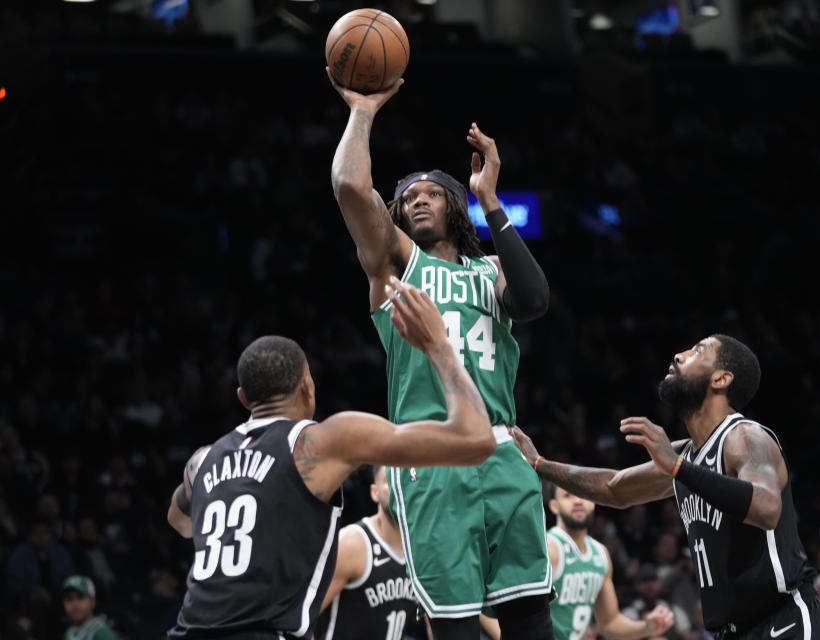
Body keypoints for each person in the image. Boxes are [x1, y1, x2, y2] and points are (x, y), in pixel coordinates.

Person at [327, 70, 553, 640]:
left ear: (454, 206)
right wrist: (363, 110)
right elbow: (352, 190)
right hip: (431, 451)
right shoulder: (395, 268)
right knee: (454, 628)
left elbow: (533, 301)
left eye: (430, 194)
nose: (416, 201)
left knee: (530, 620)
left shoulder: (490, 270)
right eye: (407, 198)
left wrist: (490, 200)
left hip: (503, 448)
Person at [165, 278, 496, 638]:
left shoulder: (203, 460)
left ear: (244, 398)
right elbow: (476, 439)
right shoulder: (321, 442)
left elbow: (180, 521)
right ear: (307, 385)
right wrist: (438, 345)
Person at [512, 335, 820, 639]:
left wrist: (677, 467)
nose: (679, 355)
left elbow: (767, 509)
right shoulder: (687, 455)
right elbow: (614, 488)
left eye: (698, 352)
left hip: (786, 622)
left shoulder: (745, 437)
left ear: (721, 379)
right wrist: (540, 464)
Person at [479, 484, 675, 640]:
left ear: (594, 503)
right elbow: (489, 603)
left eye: (583, 494)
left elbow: (609, 623)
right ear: (554, 505)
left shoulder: (601, 554)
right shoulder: (547, 548)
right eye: (568, 496)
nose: (578, 501)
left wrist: (647, 628)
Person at [316, 464, 426, 640]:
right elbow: (301, 618)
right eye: (391, 481)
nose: (401, 487)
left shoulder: (424, 552)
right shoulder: (352, 543)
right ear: (374, 492)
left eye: (410, 480)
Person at [62, 575, 117, 640]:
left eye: (80, 597)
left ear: (92, 601)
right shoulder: (70, 632)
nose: (75, 604)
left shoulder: (101, 633)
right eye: (69, 599)